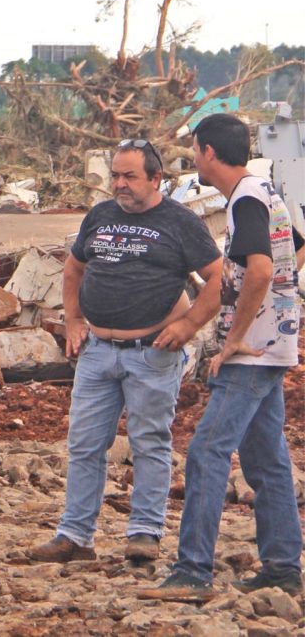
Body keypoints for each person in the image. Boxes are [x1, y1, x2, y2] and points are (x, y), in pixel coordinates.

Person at [27, 138, 222, 564]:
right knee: (84, 443)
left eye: (129, 176)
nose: (119, 184)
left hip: (151, 353)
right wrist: (74, 320)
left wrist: (188, 326)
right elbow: (75, 266)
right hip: (97, 351)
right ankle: (75, 537)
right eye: (115, 175)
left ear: (156, 178)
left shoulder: (180, 222)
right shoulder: (100, 215)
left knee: (149, 442)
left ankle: (145, 534)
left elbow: (219, 279)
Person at [141, 113, 305, 601]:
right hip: (271, 346)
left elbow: (257, 270)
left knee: (207, 450)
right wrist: (281, 307)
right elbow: (292, 249)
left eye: (195, 149)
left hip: (253, 352)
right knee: (266, 457)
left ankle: (192, 571)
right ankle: (283, 566)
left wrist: (237, 335)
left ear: (209, 152)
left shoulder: (247, 200)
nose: (194, 158)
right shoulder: (262, 192)